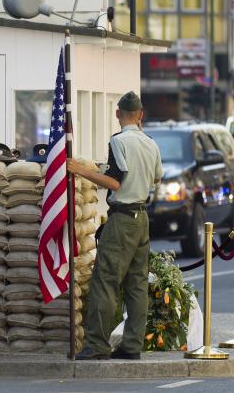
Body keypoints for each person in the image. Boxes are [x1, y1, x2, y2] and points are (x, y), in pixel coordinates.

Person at [66, 91, 163, 361]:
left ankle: (97, 344)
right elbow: (156, 178)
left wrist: (78, 170)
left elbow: (114, 182)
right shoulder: (151, 143)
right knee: (136, 284)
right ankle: (132, 345)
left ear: (118, 113)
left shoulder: (118, 141)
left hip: (122, 219)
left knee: (105, 281)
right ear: (141, 114)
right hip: (142, 218)